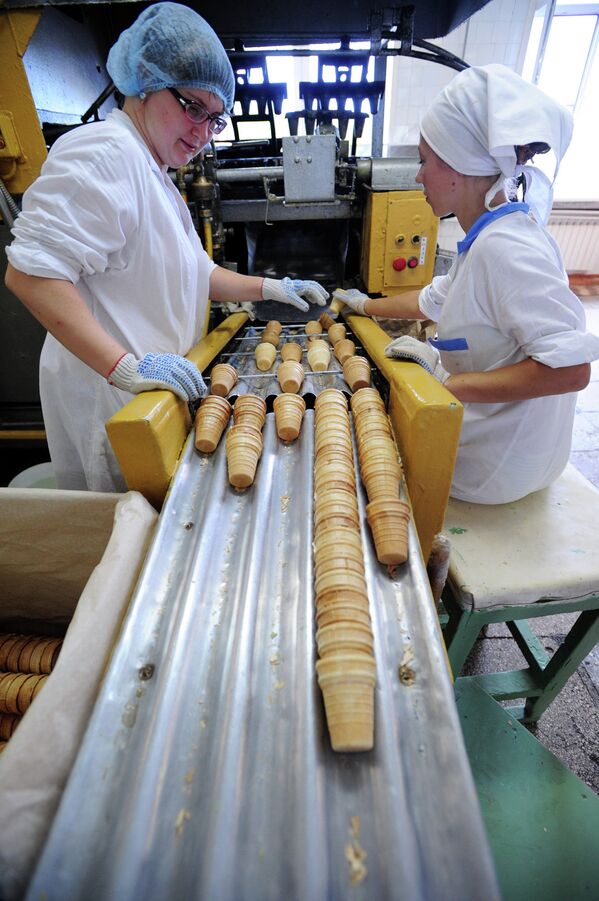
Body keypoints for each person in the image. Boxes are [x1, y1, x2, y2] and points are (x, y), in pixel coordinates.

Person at [4, 2, 327, 492]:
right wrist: (125, 367)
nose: (201, 132)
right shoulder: (104, 154)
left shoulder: (155, 173)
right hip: (113, 401)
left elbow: (198, 273)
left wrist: (271, 286)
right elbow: (32, 276)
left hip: (155, 393)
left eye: (215, 119)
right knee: (124, 532)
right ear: (146, 83)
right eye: (192, 107)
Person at [334, 64, 599, 505]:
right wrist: (362, 306)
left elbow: (571, 370)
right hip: (514, 456)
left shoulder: (507, 250)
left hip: (494, 471)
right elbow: (432, 299)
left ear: (457, 166)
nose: (417, 176)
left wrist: (450, 388)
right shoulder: (487, 238)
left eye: (424, 160)